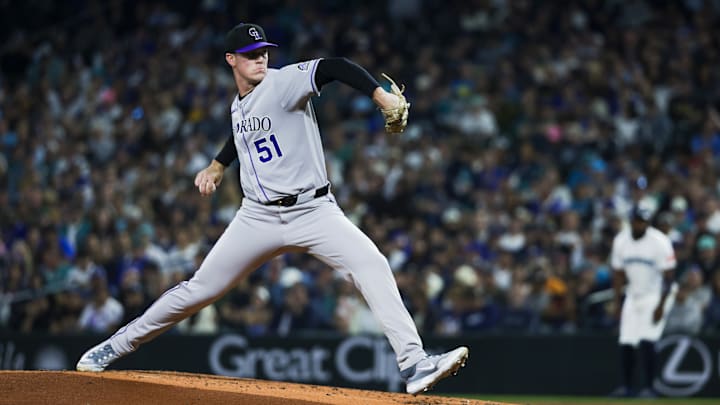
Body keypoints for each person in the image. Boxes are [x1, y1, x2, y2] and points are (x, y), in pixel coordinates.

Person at [76, 22, 468, 395]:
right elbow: (242, 132)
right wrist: (217, 165)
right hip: (257, 217)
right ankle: (115, 346)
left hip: (313, 211)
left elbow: (334, 67)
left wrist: (380, 96)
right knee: (199, 290)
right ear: (231, 59)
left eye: (263, 51)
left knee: (372, 264)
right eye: (250, 54)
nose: (260, 58)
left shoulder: (283, 83)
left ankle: (415, 364)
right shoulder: (238, 105)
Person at [609, 202, 677, 398]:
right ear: (631, 221)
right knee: (626, 341)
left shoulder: (659, 241)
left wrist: (661, 305)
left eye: (644, 221)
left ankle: (649, 388)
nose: (641, 225)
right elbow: (618, 274)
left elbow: (669, 276)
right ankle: (626, 387)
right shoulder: (621, 241)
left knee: (647, 340)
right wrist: (617, 301)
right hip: (633, 293)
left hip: (656, 294)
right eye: (638, 221)